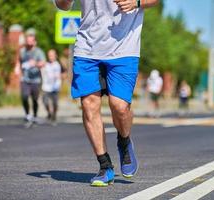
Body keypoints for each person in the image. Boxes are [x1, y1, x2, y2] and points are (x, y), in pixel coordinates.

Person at [54, 0, 159, 187]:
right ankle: (105, 166)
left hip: (124, 48)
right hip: (87, 48)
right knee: (88, 105)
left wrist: (137, 2)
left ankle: (124, 140)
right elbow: (62, 5)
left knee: (119, 106)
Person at [14, 29, 46, 127]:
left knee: (34, 99)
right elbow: (19, 60)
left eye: (31, 42)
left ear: (34, 42)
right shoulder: (22, 51)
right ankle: (28, 115)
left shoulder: (38, 52)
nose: (29, 44)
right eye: (27, 42)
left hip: (36, 79)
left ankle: (35, 115)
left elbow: (43, 63)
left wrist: (35, 64)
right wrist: (17, 68)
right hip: (25, 78)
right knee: (24, 96)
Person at [41, 49, 62, 124]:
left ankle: (54, 116)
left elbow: (64, 73)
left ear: (55, 56)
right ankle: (49, 113)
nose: (50, 57)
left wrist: (60, 76)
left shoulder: (58, 64)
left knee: (55, 103)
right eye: (49, 55)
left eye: (52, 55)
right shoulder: (45, 64)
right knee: (45, 102)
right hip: (46, 87)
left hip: (55, 86)